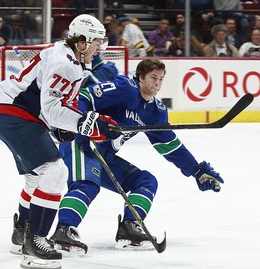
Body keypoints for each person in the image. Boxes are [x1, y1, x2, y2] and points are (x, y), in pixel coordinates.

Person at [49, 58, 224, 254]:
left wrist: (197, 171)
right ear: (141, 78)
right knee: (86, 184)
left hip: (104, 154)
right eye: (153, 77)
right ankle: (63, 231)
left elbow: (170, 146)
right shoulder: (126, 89)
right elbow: (84, 96)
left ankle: (129, 228)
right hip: (81, 144)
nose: (157, 83)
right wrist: (81, 124)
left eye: (161, 79)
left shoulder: (155, 112)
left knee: (145, 181)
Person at [0, 14, 121, 269]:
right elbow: (51, 109)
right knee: (55, 170)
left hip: (14, 114)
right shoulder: (65, 63)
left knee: (37, 177)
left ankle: (21, 233)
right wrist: (92, 124)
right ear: (81, 42)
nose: (100, 49)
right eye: (96, 42)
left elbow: (58, 105)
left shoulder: (70, 57)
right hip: (16, 115)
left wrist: (67, 126)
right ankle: (35, 241)